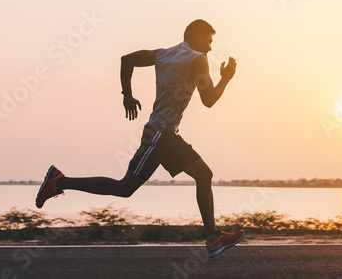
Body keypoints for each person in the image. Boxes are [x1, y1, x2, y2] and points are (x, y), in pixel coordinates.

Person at [35, 19, 244, 257]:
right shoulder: (198, 59)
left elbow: (127, 60)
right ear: (196, 37)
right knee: (124, 188)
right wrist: (226, 78)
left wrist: (127, 95)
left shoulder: (164, 54)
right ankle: (59, 182)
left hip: (165, 134)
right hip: (160, 135)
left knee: (204, 174)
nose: (210, 47)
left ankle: (213, 238)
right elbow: (208, 100)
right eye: (209, 40)